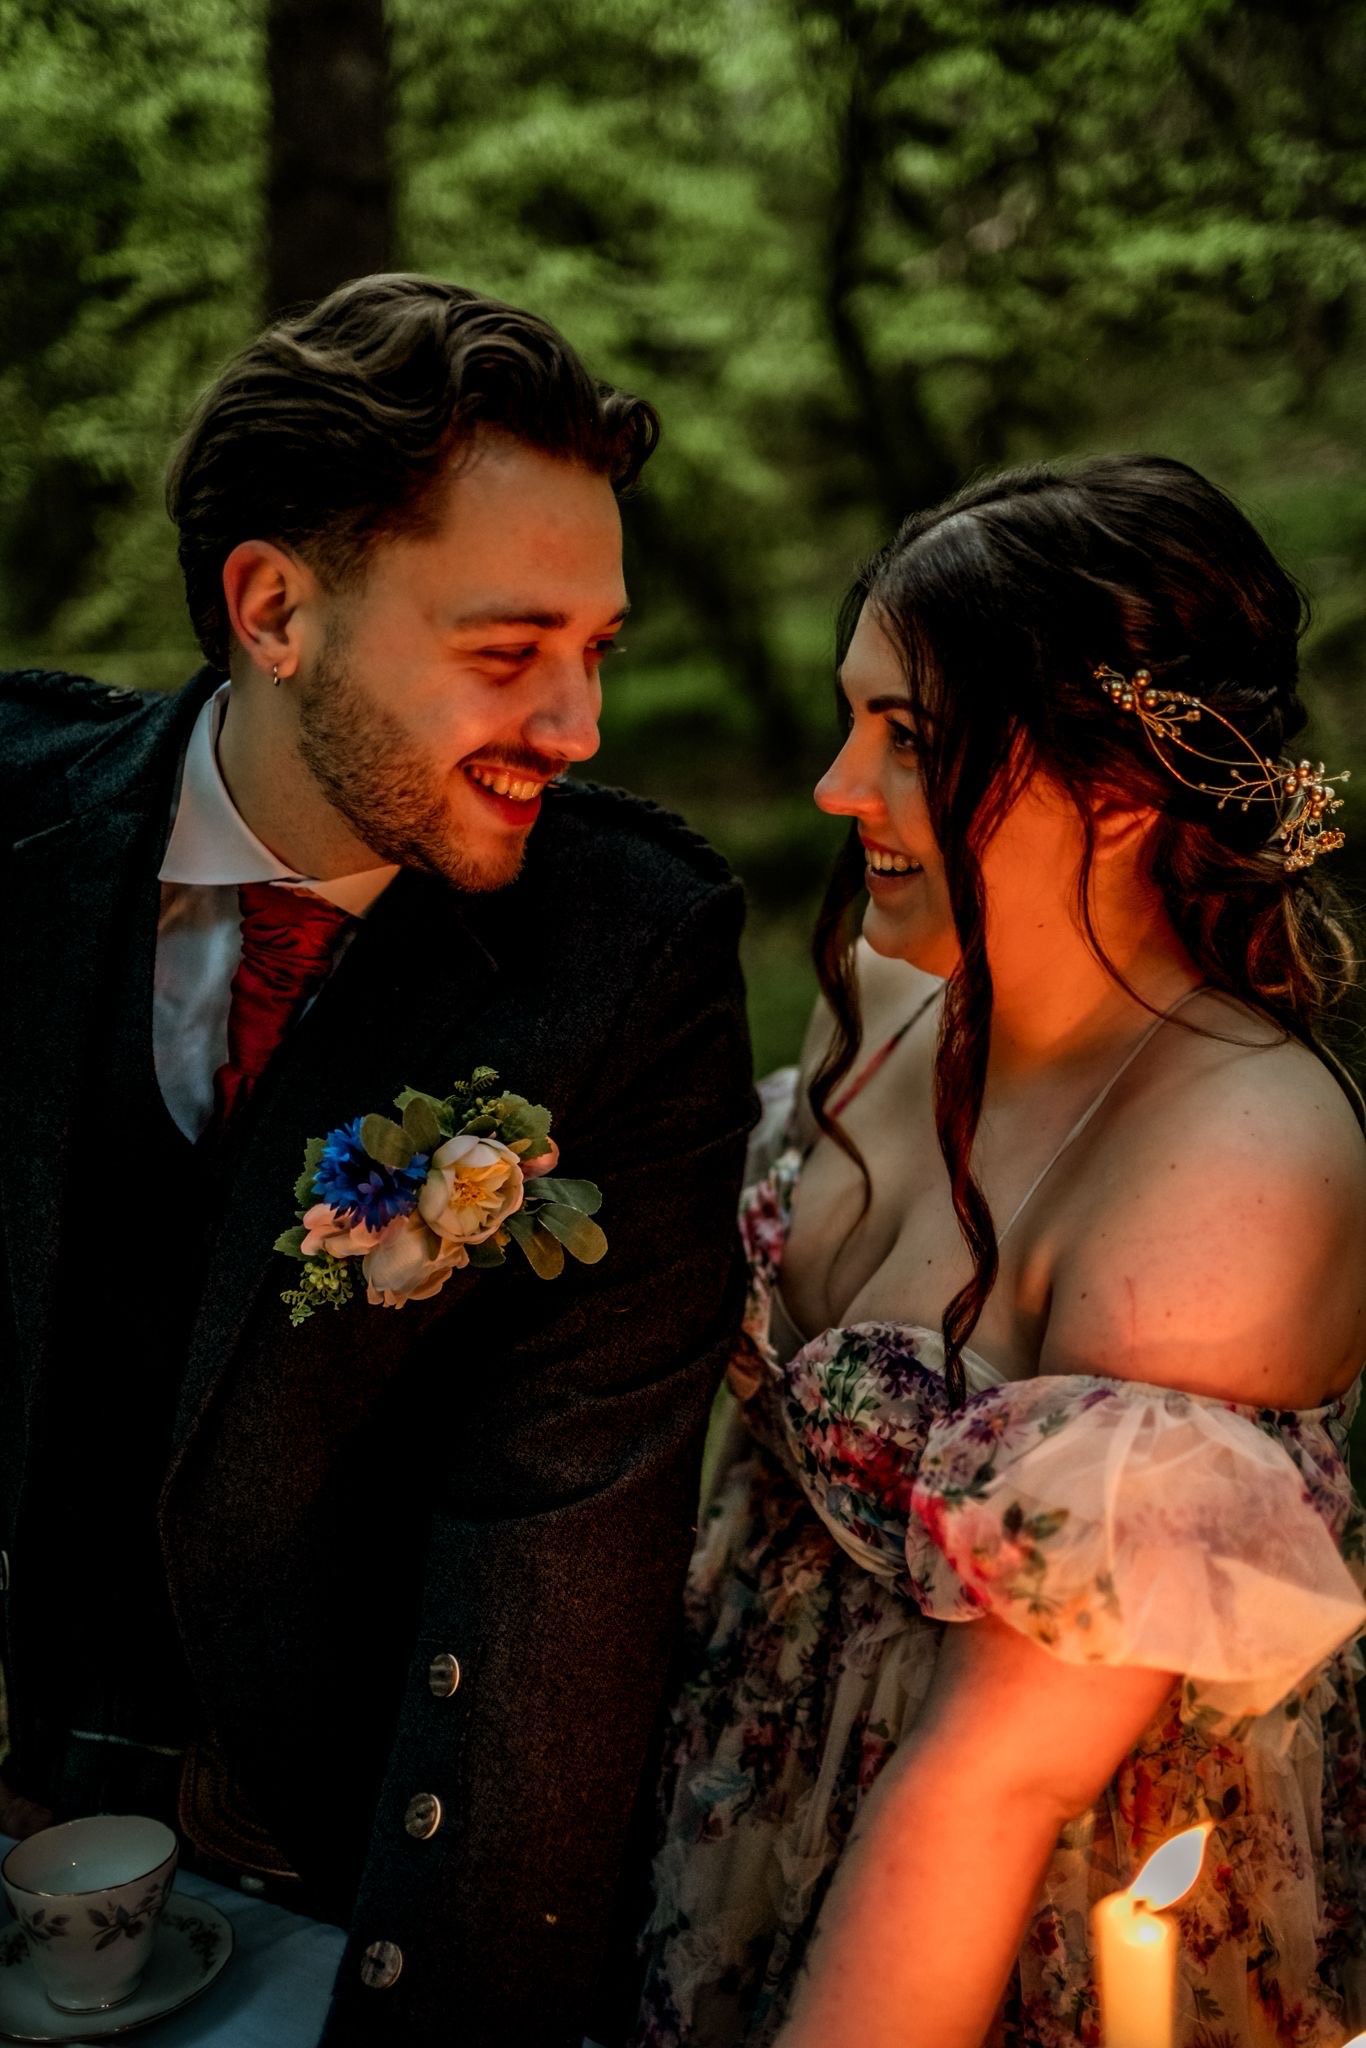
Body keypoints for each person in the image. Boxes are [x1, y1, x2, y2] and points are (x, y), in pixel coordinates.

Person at [0, 273, 754, 2047]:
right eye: (508, 652)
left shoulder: (624, 955)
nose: (575, 731)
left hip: (348, 1873)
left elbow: (561, 1535)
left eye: (598, 648)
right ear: (273, 605)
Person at [635, 454, 1366, 2048]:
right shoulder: (887, 1004)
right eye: (854, 719)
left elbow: (997, 1776)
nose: (839, 786)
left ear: (1114, 791)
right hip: (747, 1779)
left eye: (906, 740)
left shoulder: (1229, 1170)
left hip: (1005, 1909)